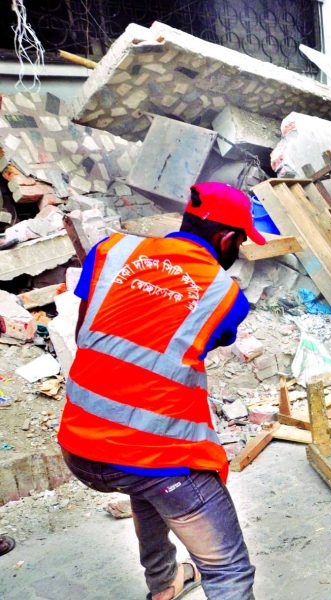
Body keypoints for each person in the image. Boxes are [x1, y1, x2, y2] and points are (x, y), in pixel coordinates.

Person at [57, 182, 264, 599]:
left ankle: (164, 585)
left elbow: (84, 331)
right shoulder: (225, 295)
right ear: (226, 239)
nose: (238, 251)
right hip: (151, 457)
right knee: (228, 571)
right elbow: (213, 338)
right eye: (240, 242)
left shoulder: (111, 252)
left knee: (144, 482)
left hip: (79, 445)